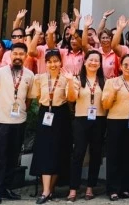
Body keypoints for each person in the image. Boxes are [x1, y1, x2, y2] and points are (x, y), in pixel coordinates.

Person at [0, 41, 34, 205]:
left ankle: (7, 188)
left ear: (25, 56)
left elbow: (29, 99)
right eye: (15, 53)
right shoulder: (0, 73)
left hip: (19, 121)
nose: (18, 57)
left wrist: (21, 110)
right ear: (10, 55)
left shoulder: (29, 75)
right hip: (2, 121)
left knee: (13, 157)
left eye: (21, 54)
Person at [30, 49, 76, 203]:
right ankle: (45, 191)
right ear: (46, 63)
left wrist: (70, 81)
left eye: (56, 61)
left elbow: (71, 99)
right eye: (49, 62)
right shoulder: (40, 78)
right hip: (45, 114)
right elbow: (38, 97)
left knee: (59, 151)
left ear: (61, 62)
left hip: (61, 115)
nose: (53, 64)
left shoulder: (66, 77)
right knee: (45, 151)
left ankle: (50, 189)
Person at [67, 51, 105, 201]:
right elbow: (71, 98)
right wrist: (70, 82)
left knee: (96, 154)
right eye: (91, 60)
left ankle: (90, 188)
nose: (93, 63)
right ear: (85, 62)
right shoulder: (76, 79)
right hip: (81, 119)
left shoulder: (104, 81)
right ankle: (73, 189)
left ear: (100, 64)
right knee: (78, 154)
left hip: (99, 119)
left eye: (97, 61)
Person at [102, 54, 129, 201]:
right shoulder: (112, 82)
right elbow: (105, 105)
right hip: (115, 121)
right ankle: (113, 189)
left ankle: (125, 188)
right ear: (120, 66)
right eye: (126, 65)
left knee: (128, 156)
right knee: (114, 156)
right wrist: (114, 91)